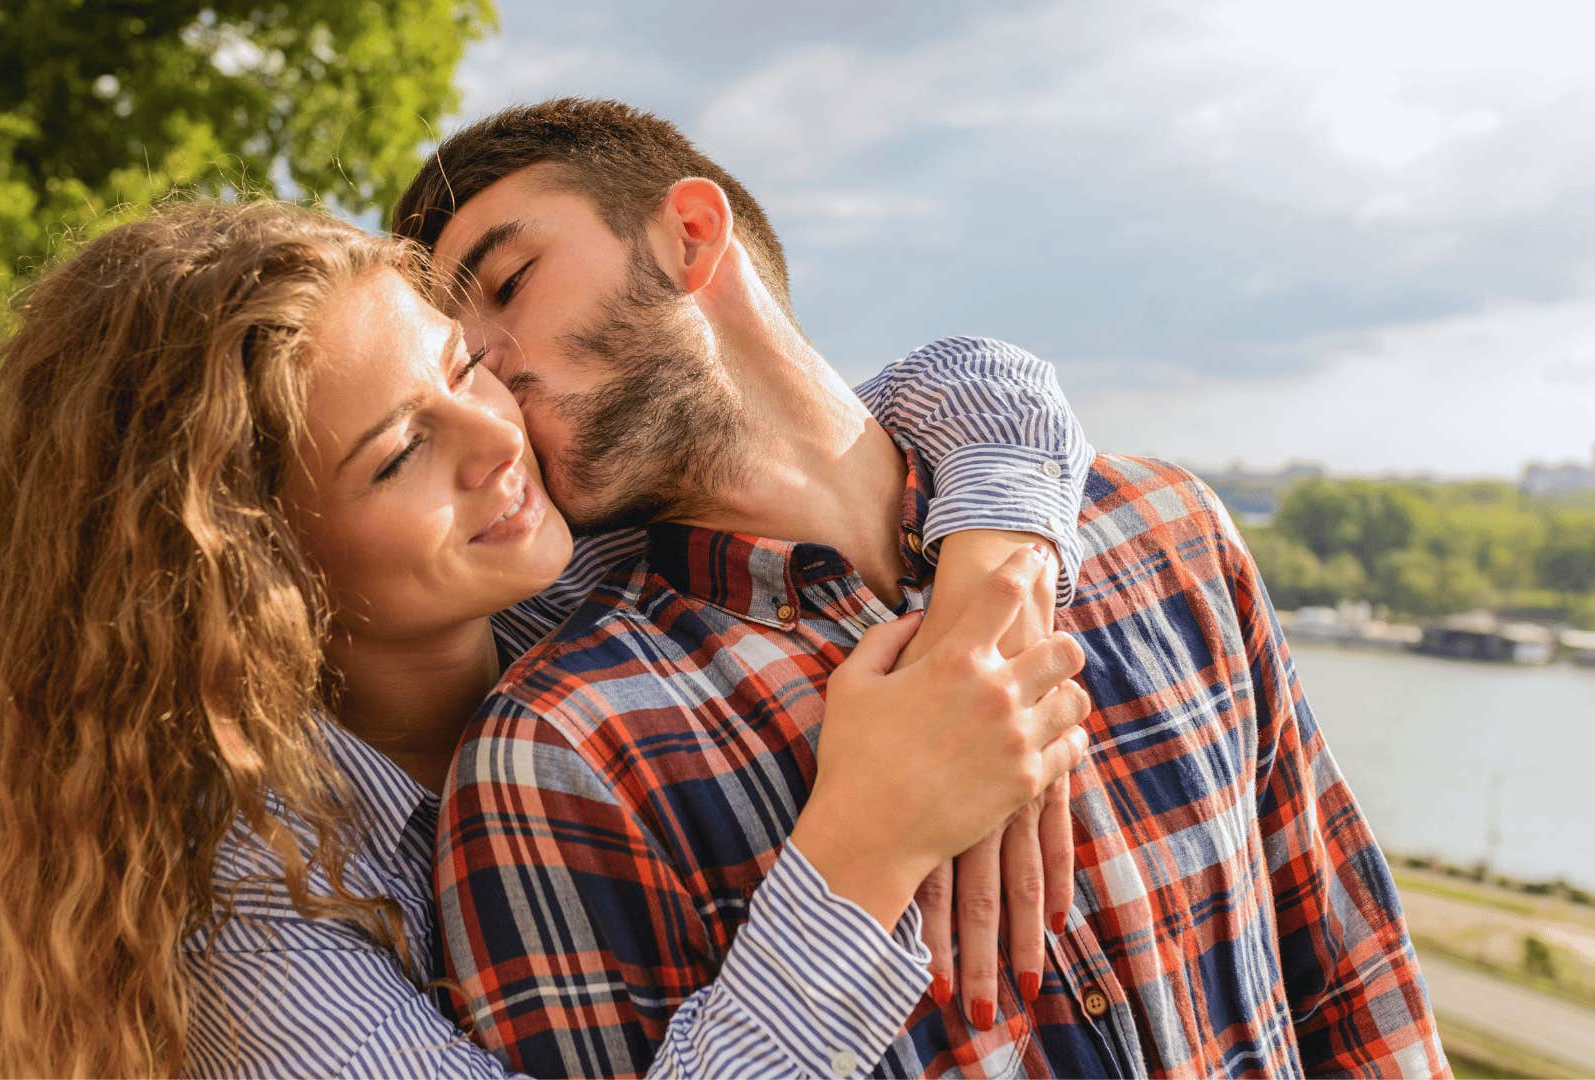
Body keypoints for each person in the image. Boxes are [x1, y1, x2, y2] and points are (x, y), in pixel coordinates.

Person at [0, 197, 1102, 1077]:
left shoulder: (575, 576)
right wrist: (865, 847)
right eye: (402, 453)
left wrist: (991, 593)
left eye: (466, 366)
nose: (495, 438)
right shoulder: (250, 921)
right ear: (249, 568)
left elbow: (956, 389)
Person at [394, 98, 1449, 1077]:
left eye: (509, 282)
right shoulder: (557, 756)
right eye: (456, 359)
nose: (487, 365)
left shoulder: (1167, 532)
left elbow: (1357, 992)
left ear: (691, 236)